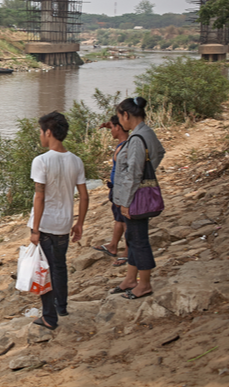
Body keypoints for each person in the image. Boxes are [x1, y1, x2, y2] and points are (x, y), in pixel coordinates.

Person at [28, 111, 89, 330]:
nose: (40, 136)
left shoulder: (41, 161)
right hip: (64, 222)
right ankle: (61, 306)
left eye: (41, 132)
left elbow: (40, 196)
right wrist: (79, 222)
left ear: (49, 132)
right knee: (59, 266)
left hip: (46, 224)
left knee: (45, 269)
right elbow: (84, 195)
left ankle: (48, 317)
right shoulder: (76, 160)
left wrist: (35, 229)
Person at [111, 97, 165, 300]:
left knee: (139, 240)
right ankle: (131, 278)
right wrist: (148, 175)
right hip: (140, 194)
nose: (120, 122)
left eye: (119, 117)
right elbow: (160, 152)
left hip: (133, 198)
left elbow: (133, 173)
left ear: (126, 115)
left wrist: (125, 202)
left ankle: (144, 284)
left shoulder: (135, 139)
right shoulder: (147, 132)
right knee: (132, 238)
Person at [93, 115, 130, 267]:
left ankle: (128, 251)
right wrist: (109, 124)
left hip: (122, 190)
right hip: (117, 189)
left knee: (126, 220)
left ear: (118, 127)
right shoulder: (123, 143)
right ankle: (113, 245)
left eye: (112, 128)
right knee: (119, 218)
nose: (110, 131)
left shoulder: (126, 147)